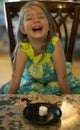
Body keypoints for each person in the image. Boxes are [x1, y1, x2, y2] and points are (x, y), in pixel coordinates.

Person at [0, 0, 80, 94]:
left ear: (49, 26)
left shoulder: (55, 44)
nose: (36, 20)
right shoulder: (23, 48)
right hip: (32, 83)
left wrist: (67, 101)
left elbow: (62, 78)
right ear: (23, 29)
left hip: (56, 81)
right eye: (29, 18)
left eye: (41, 17)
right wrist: (9, 102)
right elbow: (16, 78)